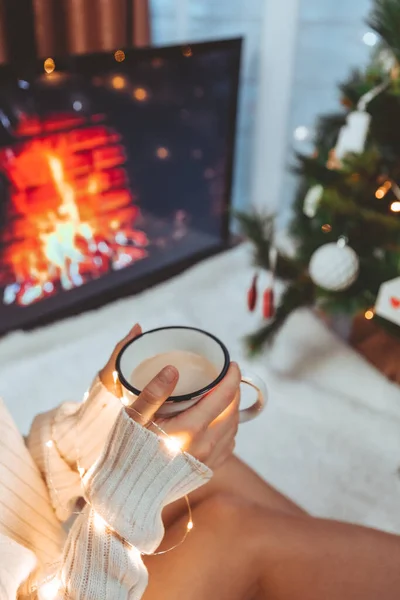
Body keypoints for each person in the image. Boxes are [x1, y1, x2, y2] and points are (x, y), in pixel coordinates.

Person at [0, 324, 399, 599]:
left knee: (201, 469)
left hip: (46, 542)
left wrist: (94, 424)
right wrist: (124, 494)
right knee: (231, 528)